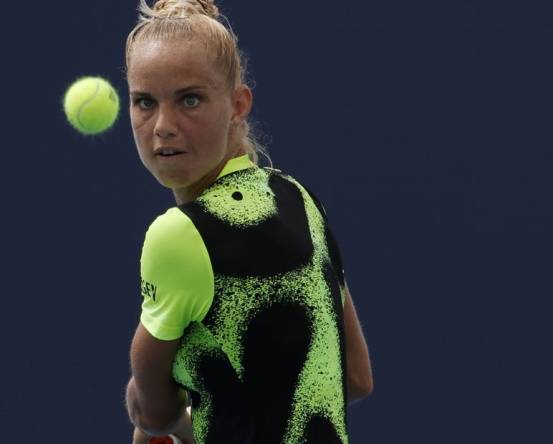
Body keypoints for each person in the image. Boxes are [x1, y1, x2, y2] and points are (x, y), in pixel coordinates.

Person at [122, 1, 373, 443]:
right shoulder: (299, 198)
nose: (163, 126)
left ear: (238, 104)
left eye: (190, 99)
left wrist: (167, 415)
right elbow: (355, 378)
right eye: (145, 102)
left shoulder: (178, 235)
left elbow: (153, 414)